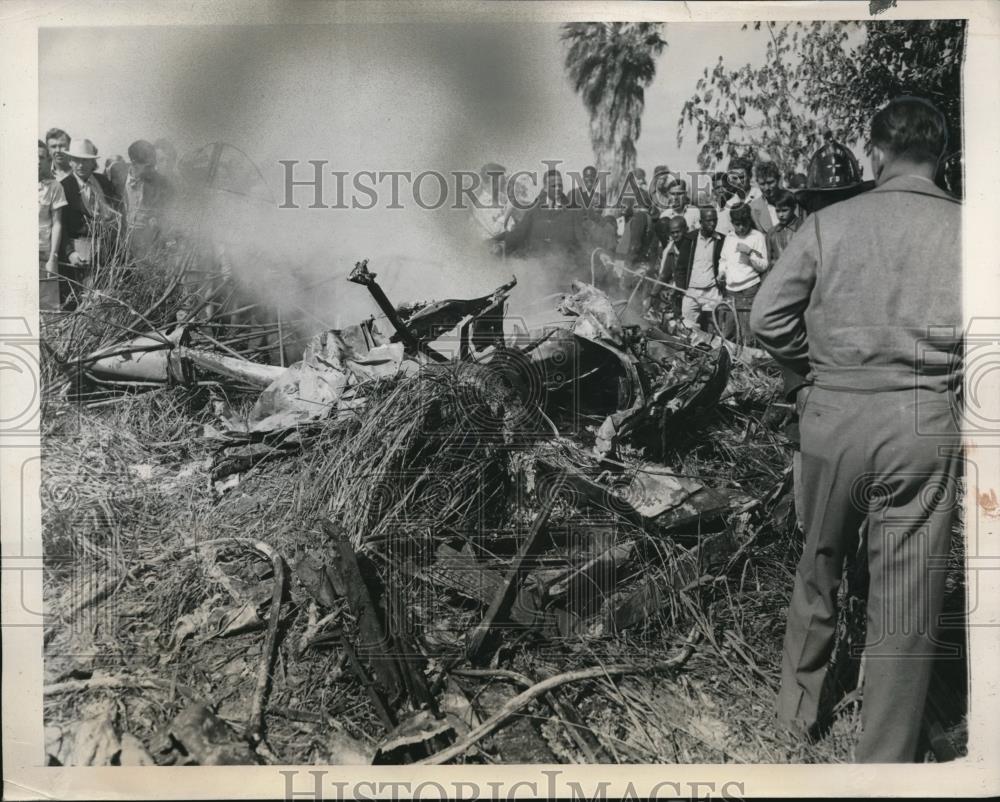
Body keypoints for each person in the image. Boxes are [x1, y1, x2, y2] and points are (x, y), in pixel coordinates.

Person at [750, 97, 962, 763]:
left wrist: (812, 372)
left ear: (874, 152)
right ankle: (885, 759)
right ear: (943, 155)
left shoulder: (828, 223)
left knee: (819, 563)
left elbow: (764, 320)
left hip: (832, 413)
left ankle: (793, 719)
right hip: (922, 421)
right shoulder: (973, 231)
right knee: (907, 597)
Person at [498, 168, 583, 263]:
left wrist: (599, 252)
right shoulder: (534, 211)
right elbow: (519, 233)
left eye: (560, 185)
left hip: (564, 268)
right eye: (554, 186)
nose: (558, 188)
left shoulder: (572, 212)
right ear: (545, 188)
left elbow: (582, 239)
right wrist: (497, 241)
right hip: (537, 267)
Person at [61, 138, 116, 272]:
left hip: (107, 250)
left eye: (85, 160)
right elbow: (60, 225)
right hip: (80, 249)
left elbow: (115, 211)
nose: (81, 165)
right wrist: (70, 253)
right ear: (70, 161)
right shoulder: (64, 186)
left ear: (93, 162)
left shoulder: (103, 182)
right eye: (77, 160)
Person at [717, 203, 767, 344]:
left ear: (748, 221)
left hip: (749, 290)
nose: (741, 228)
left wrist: (750, 252)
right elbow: (723, 260)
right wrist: (721, 272)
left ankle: (749, 362)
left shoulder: (757, 236)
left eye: (744, 224)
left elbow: (763, 266)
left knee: (748, 333)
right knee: (729, 332)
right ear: (732, 223)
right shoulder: (730, 237)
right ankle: (731, 362)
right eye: (737, 224)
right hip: (731, 291)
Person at [675, 206, 725, 336]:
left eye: (715, 220)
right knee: (687, 329)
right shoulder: (689, 239)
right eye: (708, 220)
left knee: (714, 329)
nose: (712, 223)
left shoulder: (721, 240)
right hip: (691, 292)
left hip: (712, 292)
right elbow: (680, 267)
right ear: (700, 222)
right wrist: (682, 290)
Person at [122, 139, 174, 256]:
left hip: (148, 246)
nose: (153, 170)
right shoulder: (116, 179)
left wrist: (157, 221)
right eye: (148, 166)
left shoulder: (162, 184)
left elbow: (168, 215)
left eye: (154, 165)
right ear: (134, 163)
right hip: (120, 245)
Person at [38, 141, 67, 309]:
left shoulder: (55, 187)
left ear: (48, 161)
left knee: (47, 306)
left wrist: (52, 258)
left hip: (44, 254)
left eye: (41, 157)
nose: (36, 161)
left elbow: (57, 223)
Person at [644, 214, 687, 323]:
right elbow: (664, 275)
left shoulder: (692, 246)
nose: (675, 235)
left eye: (678, 232)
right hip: (678, 293)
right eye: (673, 233)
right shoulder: (671, 250)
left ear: (685, 230)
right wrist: (652, 295)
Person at [764, 189, 802, 270]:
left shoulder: (803, 228)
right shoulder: (771, 233)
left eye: (784, 210)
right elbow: (769, 260)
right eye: (777, 211)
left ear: (794, 208)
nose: (780, 215)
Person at [749, 160, 782, 233]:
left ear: (779, 179)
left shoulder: (794, 200)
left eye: (770, 182)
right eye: (762, 184)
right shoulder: (753, 209)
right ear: (757, 183)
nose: (767, 188)